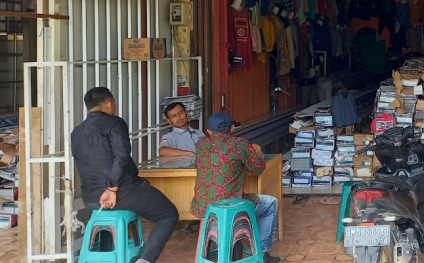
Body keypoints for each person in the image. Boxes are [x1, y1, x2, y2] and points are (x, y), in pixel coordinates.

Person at [71, 87, 178, 263]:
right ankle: (145, 260)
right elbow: (121, 157)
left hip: (91, 198)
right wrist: (112, 188)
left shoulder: (77, 131)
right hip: (120, 193)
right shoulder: (114, 123)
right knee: (169, 214)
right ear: (109, 104)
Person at [191, 113, 280, 263]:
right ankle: (263, 253)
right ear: (232, 128)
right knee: (271, 203)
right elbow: (258, 169)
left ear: (208, 131)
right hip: (230, 208)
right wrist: (256, 151)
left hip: (205, 208)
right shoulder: (240, 144)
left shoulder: (201, 145)